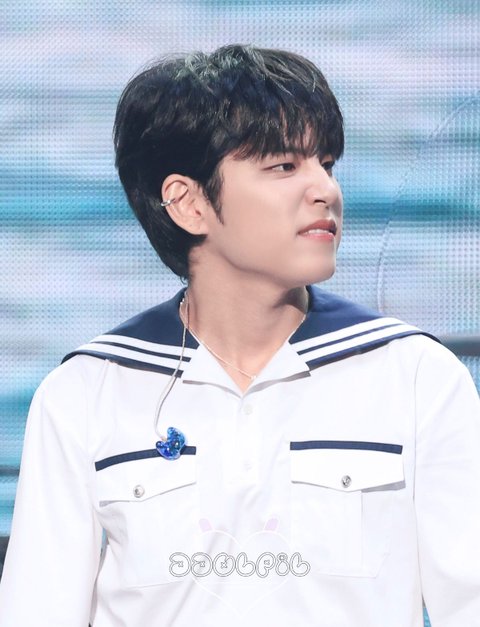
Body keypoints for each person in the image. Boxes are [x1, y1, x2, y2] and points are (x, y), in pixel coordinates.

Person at [0, 44, 479, 627]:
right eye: (284, 166)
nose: (325, 190)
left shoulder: (418, 376)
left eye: (326, 163)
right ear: (188, 203)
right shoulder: (85, 391)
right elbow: (37, 611)